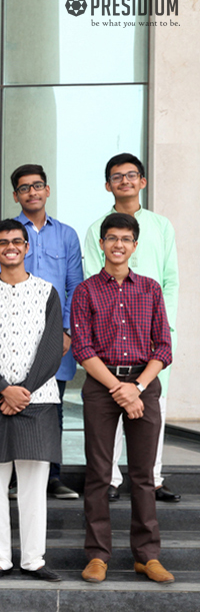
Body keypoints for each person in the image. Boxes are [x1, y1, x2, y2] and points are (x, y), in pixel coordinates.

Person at [72, 213, 174, 584]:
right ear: (101, 244)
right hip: (102, 386)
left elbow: (163, 347)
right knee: (99, 474)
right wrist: (119, 388)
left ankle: (147, 557)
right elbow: (82, 349)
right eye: (112, 238)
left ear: (135, 245)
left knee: (143, 476)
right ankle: (97, 556)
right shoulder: (85, 291)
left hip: (144, 384)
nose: (118, 245)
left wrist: (138, 388)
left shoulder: (150, 289)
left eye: (126, 239)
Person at [0, 219, 63, 583]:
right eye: (3, 242)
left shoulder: (47, 292)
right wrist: (2, 391)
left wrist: (21, 391)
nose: (10, 247)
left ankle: (34, 559)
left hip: (38, 401)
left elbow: (52, 348)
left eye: (17, 241)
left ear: (26, 247)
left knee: (34, 486)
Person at [82, 153, 179, 503]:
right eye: (117, 176)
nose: (125, 181)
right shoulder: (97, 229)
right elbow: (93, 281)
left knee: (153, 406)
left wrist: (163, 328)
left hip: (152, 339)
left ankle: (153, 477)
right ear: (108, 185)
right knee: (112, 402)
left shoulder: (161, 226)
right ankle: (109, 478)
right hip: (109, 341)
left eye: (131, 175)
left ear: (143, 181)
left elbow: (170, 280)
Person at [0, 164, 83, 501]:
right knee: (17, 403)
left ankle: (52, 477)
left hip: (56, 338)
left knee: (52, 409)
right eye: (24, 188)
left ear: (47, 190)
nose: (32, 192)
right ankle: (18, 477)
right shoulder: (9, 234)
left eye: (37, 185)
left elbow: (75, 286)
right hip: (14, 337)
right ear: (15, 195)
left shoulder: (67, 235)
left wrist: (66, 331)